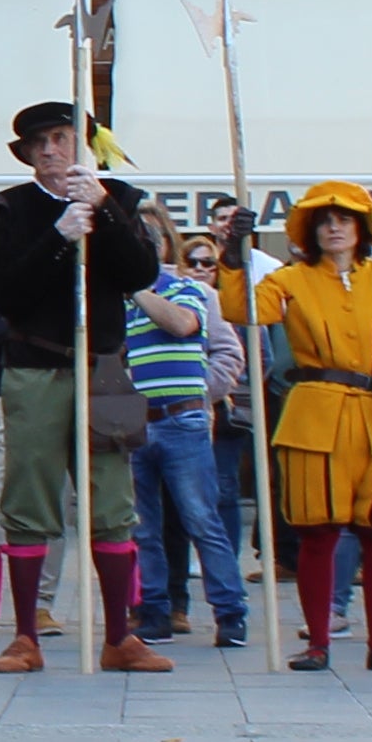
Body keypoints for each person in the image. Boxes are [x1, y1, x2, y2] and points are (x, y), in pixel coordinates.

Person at [0, 103, 171, 676]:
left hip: (105, 368)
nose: (53, 150)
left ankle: (118, 637)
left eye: (62, 139)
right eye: (41, 143)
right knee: (28, 498)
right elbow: (7, 294)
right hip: (36, 366)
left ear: (82, 146)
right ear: (29, 154)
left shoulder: (122, 199)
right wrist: (59, 238)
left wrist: (104, 212)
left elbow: (139, 274)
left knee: (113, 501)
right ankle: (26, 635)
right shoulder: (13, 208)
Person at [253, 181, 372, 672]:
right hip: (314, 413)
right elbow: (244, 310)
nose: (333, 227)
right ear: (310, 229)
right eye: (324, 220)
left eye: (343, 219)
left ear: (361, 228)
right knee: (318, 533)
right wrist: (231, 256)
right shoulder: (289, 281)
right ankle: (318, 643)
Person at [124, 242, 249, 655]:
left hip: (183, 418)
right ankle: (155, 611)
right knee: (144, 528)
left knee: (201, 519)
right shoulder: (115, 299)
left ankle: (230, 613)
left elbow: (182, 325)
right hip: (138, 422)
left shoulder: (185, 287)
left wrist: (139, 290)